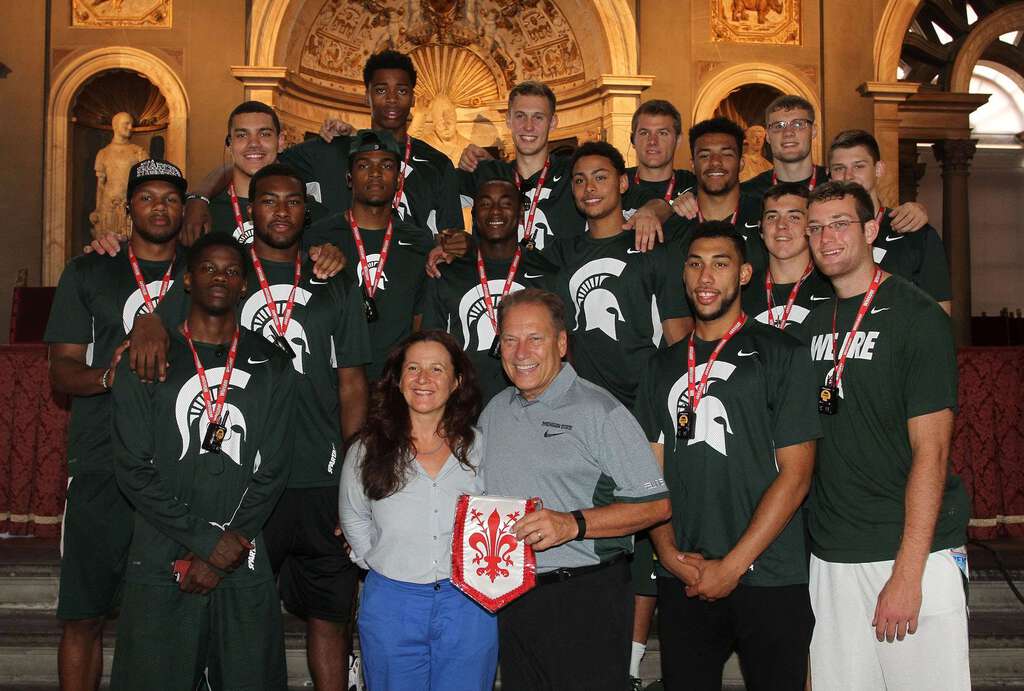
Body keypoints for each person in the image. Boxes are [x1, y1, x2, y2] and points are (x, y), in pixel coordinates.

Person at [637, 221, 821, 690]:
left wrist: (733, 566)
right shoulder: (660, 366)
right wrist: (668, 554)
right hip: (686, 573)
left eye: (720, 264)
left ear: (743, 275)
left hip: (769, 575)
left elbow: (797, 476)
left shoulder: (782, 353)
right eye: (695, 264)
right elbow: (649, 477)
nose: (705, 277)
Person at [802, 180, 970, 690]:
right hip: (832, 554)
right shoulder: (812, 321)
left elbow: (932, 452)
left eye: (840, 224)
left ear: (872, 229)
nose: (826, 238)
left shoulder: (917, 316)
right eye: (816, 228)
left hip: (908, 552)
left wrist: (907, 573)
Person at [109, 233, 297, 690]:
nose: (219, 278)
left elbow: (274, 468)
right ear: (188, 280)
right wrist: (207, 542)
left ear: (244, 286)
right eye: (208, 268)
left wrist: (224, 549)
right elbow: (132, 468)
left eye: (231, 271)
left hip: (242, 554)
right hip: (162, 553)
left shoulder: (272, 362)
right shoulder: (150, 357)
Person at [479, 287, 672, 691]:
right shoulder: (494, 411)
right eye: (510, 340)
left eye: (535, 338)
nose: (521, 352)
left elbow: (655, 506)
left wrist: (572, 524)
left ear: (562, 344)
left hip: (586, 595)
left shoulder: (601, 411)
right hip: (513, 596)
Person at [44, 158, 189, 691]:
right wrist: (111, 375)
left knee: (169, 614)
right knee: (84, 613)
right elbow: (61, 370)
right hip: (103, 457)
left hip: (180, 463)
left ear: (184, 209)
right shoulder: (89, 271)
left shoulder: (206, 271)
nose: (159, 208)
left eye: (170, 198)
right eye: (147, 197)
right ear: (128, 206)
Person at [235, 163, 372, 691]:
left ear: (306, 211)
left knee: (330, 616)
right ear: (251, 209)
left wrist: (353, 475)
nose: (281, 211)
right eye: (269, 200)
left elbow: (352, 385)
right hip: (246, 480)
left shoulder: (334, 280)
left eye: (292, 201)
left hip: (320, 477)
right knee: (244, 615)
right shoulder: (226, 274)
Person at [340, 330, 497, 691]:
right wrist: (376, 560)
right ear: (397, 380)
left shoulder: (481, 446)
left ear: (457, 382)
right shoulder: (366, 448)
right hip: (392, 604)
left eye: (437, 369)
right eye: (413, 368)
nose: (423, 379)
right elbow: (353, 515)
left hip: (468, 603)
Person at [288, 49, 464, 233]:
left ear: (413, 99)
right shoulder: (332, 151)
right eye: (381, 90)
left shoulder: (437, 164)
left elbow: (452, 239)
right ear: (367, 97)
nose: (392, 98)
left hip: (413, 252)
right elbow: (272, 163)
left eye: (402, 91)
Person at [307, 129, 435, 381]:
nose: (375, 173)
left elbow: (420, 320)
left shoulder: (420, 241)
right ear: (349, 177)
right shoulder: (318, 237)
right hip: (335, 383)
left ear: (398, 180)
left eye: (386, 165)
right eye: (364, 165)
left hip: (395, 384)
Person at [421, 175, 553, 402]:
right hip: (463, 406)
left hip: (532, 404)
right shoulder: (447, 272)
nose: (495, 211)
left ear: (521, 214)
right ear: (474, 215)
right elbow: (430, 347)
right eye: (485, 204)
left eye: (505, 203)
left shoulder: (546, 272)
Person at [828, 129, 952, 313]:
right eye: (839, 168)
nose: (848, 176)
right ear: (829, 175)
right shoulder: (821, 235)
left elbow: (940, 312)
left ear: (878, 169)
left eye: (859, 166)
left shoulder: (913, 230)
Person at [204, 101, 330, 243]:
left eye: (264, 134)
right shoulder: (204, 213)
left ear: (280, 142)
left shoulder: (314, 214)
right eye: (242, 135)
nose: (253, 143)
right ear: (229, 144)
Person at [742, 182, 833, 332]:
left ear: (811, 227)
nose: (781, 225)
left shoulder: (834, 289)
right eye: (772, 217)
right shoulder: (740, 293)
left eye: (794, 217)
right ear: (760, 229)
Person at [621, 99, 696, 220]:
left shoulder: (692, 184)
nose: (652, 141)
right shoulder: (616, 184)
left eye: (662, 133)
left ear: (678, 140)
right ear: (632, 139)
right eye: (644, 133)